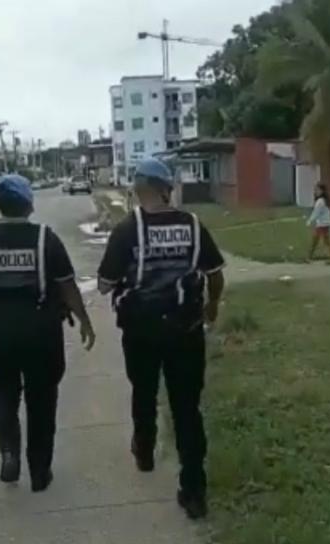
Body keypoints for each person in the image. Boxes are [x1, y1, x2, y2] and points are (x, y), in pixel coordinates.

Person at [0, 174, 95, 492]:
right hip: (41, 331)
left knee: (4, 391)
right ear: (28, 204)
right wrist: (84, 320)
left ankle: (9, 453)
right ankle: (40, 471)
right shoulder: (45, 239)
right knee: (42, 398)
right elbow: (67, 286)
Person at [97, 158, 226, 519]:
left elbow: (105, 283)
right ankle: (194, 491)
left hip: (141, 331)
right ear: (166, 189)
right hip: (186, 330)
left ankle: (145, 449)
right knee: (186, 408)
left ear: (140, 189)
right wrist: (212, 305)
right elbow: (215, 273)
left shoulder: (127, 230)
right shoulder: (193, 225)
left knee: (144, 391)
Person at [307, 184, 330, 263]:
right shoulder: (321, 201)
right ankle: (309, 257)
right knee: (316, 241)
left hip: (323, 224)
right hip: (322, 223)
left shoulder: (320, 202)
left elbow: (316, 213)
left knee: (323, 241)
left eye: (317, 190)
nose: (315, 191)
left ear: (322, 191)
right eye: (315, 190)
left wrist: (310, 220)